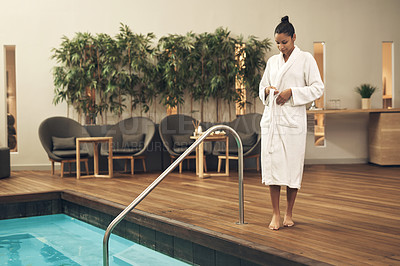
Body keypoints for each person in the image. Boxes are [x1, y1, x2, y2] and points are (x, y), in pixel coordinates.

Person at [259, 16, 324, 230]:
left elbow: (317, 88)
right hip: (273, 122)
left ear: (294, 37)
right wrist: (268, 91)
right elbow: (262, 89)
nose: (280, 47)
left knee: (292, 169)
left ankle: (289, 213)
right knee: (274, 169)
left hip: (293, 122)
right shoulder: (272, 62)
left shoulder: (305, 59)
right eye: (277, 43)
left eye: (284, 42)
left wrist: (291, 93)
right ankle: (275, 214)